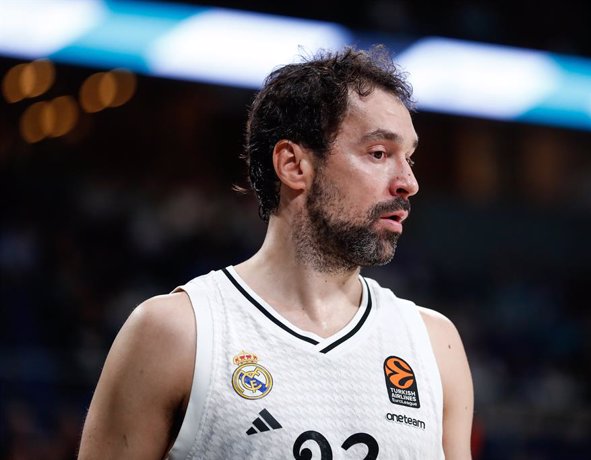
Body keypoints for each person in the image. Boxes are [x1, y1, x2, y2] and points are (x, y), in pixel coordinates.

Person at [78, 46, 473, 459]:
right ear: (293, 165)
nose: (408, 182)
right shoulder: (176, 332)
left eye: (408, 158)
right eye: (379, 154)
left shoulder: (434, 344)